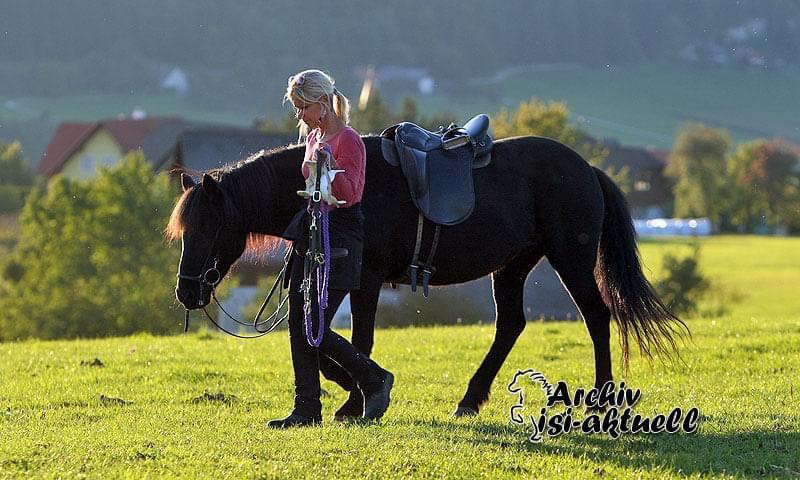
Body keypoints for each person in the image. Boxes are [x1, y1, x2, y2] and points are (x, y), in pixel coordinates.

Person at [268, 69, 393, 428]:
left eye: (303, 107)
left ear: (323, 104)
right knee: (298, 322)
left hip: (340, 236)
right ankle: (307, 408)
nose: (300, 116)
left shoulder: (350, 141)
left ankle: (373, 378)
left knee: (314, 323)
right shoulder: (314, 137)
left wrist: (329, 173)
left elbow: (351, 192)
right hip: (313, 232)